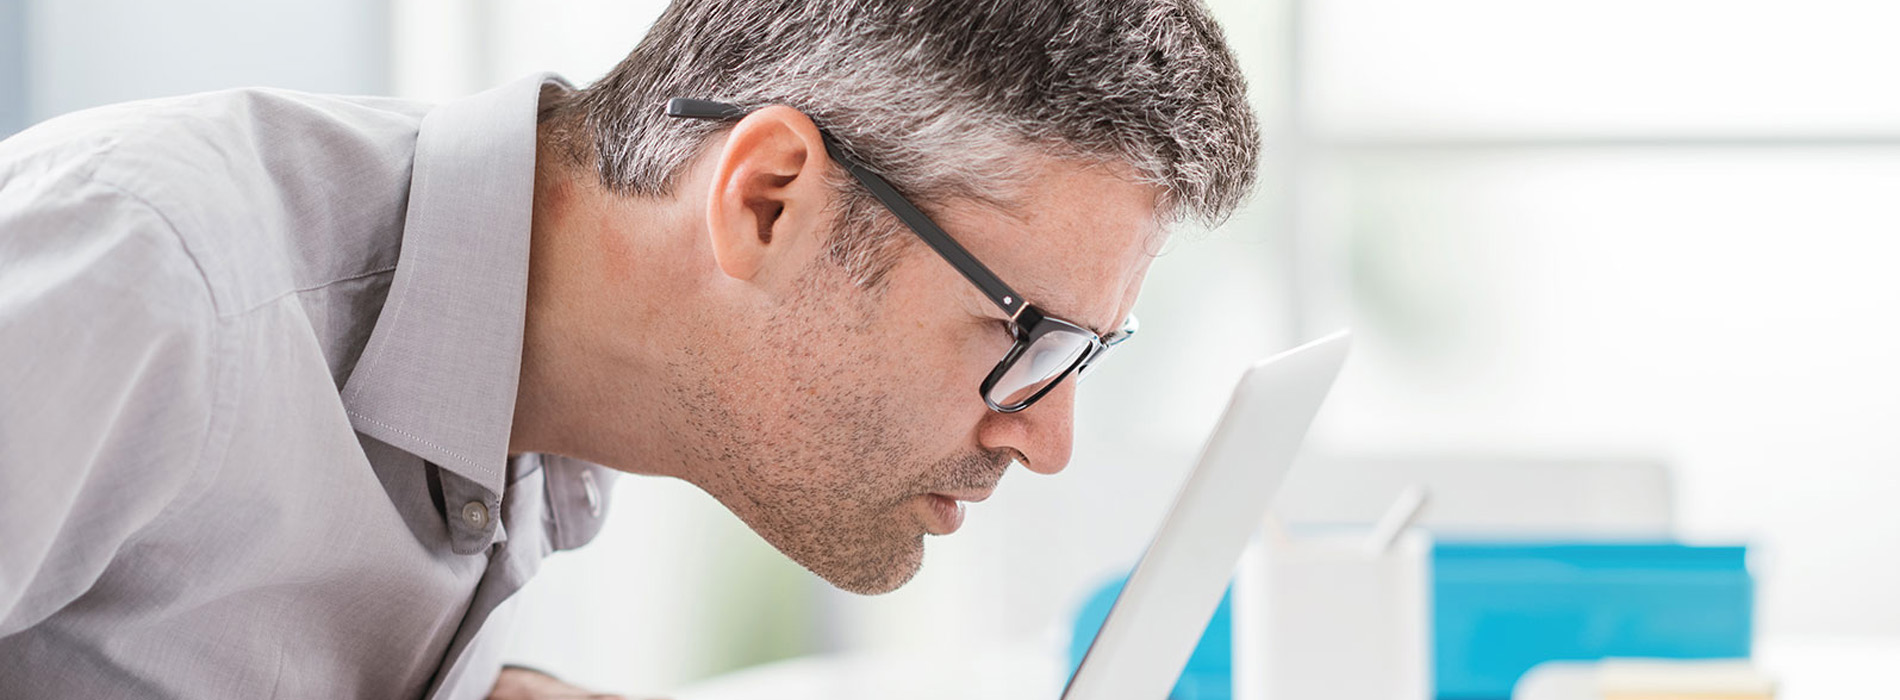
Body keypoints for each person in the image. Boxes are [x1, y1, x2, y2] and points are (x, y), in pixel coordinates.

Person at [0, 0, 1259, 697]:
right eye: (1025, 331)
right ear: (768, 198)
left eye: (1082, 354)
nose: (1045, 437)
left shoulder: (533, 396)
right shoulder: (154, 272)